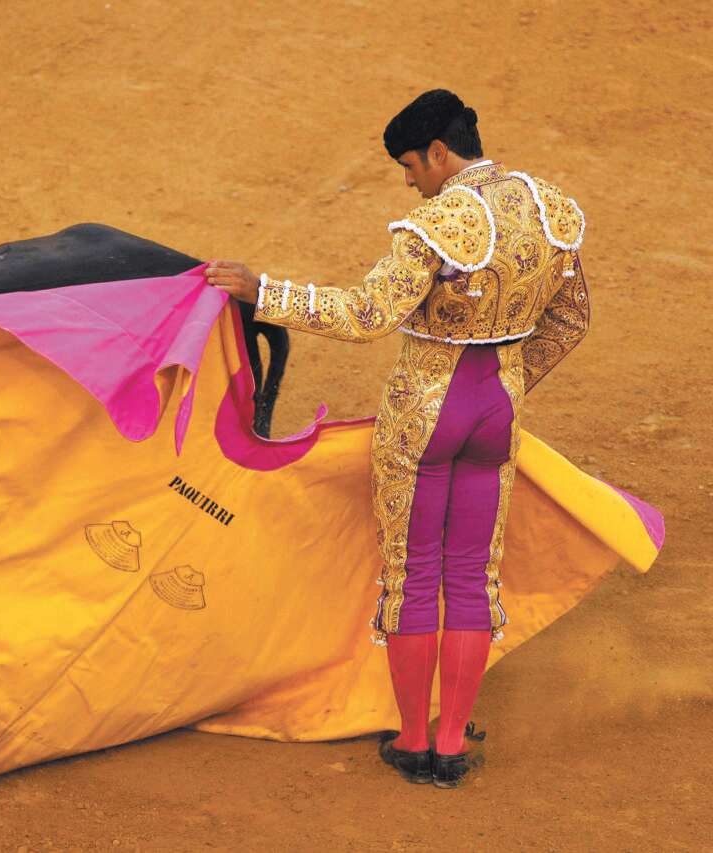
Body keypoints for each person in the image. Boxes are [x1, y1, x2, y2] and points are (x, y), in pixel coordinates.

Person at [203, 89, 590, 788]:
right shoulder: (548, 208)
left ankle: (413, 741)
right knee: (472, 572)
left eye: (411, 165)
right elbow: (570, 320)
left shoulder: (439, 222)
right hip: (497, 409)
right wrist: (504, 383)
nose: (410, 182)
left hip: (425, 409)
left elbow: (367, 313)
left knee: (413, 573)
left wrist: (267, 292)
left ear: (438, 152)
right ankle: (453, 743)